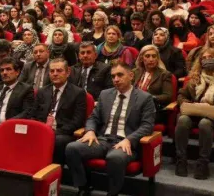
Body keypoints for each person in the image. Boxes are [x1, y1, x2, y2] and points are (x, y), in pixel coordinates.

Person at [65, 61, 156, 196]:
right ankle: (83, 187)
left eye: (120, 75)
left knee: (114, 157)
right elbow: (93, 118)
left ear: (131, 76)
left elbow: (147, 125)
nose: (116, 79)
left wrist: (129, 139)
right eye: (113, 76)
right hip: (103, 140)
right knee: (72, 148)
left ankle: (113, 193)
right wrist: (90, 131)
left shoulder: (144, 98)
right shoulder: (105, 94)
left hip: (125, 142)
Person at [175, 48, 214, 180]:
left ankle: (203, 163)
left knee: (205, 123)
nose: (207, 60)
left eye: (210, 57)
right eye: (204, 58)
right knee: (183, 120)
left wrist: (213, 105)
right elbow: (181, 95)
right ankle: (181, 159)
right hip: (195, 112)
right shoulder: (194, 77)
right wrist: (189, 104)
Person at [29, 58, 87, 164]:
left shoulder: (78, 93)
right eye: (52, 71)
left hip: (64, 133)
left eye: (59, 71)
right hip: (42, 129)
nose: (55, 74)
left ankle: (54, 170)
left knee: (57, 141)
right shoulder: (42, 91)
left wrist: (54, 132)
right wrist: (40, 129)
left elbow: (77, 121)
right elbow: (33, 115)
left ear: (68, 72)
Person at [0, 58, 34, 150]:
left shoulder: (26, 89)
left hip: (7, 127)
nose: (4, 73)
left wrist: (5, 125)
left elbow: (26, 112)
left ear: (17, 72)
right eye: (2, 70)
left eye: (8, 69)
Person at [132, 45, 173, 121]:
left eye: (154, 56)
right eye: (147, 56)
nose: (151, 59)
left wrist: (149, 97)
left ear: (157, 59)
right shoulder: (135, 72)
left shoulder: (164, 74)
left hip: (154, 109)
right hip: (134, 106)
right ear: (141, 58)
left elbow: (167, 96)